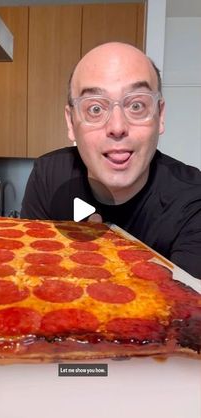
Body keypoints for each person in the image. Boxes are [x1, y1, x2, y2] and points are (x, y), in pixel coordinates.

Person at [21, 42, 201, 278]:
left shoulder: (193, 199)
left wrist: (104, 261)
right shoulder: (48, 176)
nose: (117, 127)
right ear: (70, 123)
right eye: (95, 109)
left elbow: (185, 310)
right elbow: (30, 279)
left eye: (136, 105)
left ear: (160, 116)